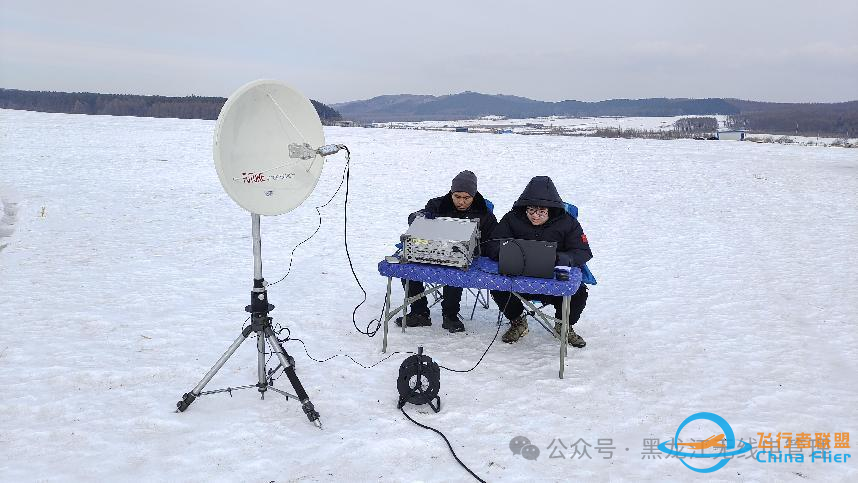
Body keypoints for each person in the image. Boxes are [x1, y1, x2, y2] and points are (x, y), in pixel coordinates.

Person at [484, 176, 592, 346]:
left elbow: (583, 251)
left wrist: (562, 258)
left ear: (551, 210)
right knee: (497, 286)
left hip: (554, 279)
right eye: (531, 211)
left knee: (579, 292)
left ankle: (564, 325)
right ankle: (518, 321)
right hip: (518, 277)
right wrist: (507, 253)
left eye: (541, 212)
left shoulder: (567, 222)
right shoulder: (512, 218)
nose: (535, 216)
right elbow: (491, 244)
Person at [395, 170, 498, 333]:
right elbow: (413, 221)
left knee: (454, 269)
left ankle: (450, 315)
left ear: (474, 195)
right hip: (434, 251)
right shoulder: (437, 204)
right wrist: (420, 217)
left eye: (466, 198)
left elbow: (494, 240)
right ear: (451, 193)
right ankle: (419, 312)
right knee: (408, 267)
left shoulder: (484, 213)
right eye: (457, 196)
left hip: (465, 258)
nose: (461, 202)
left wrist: (477, 249)